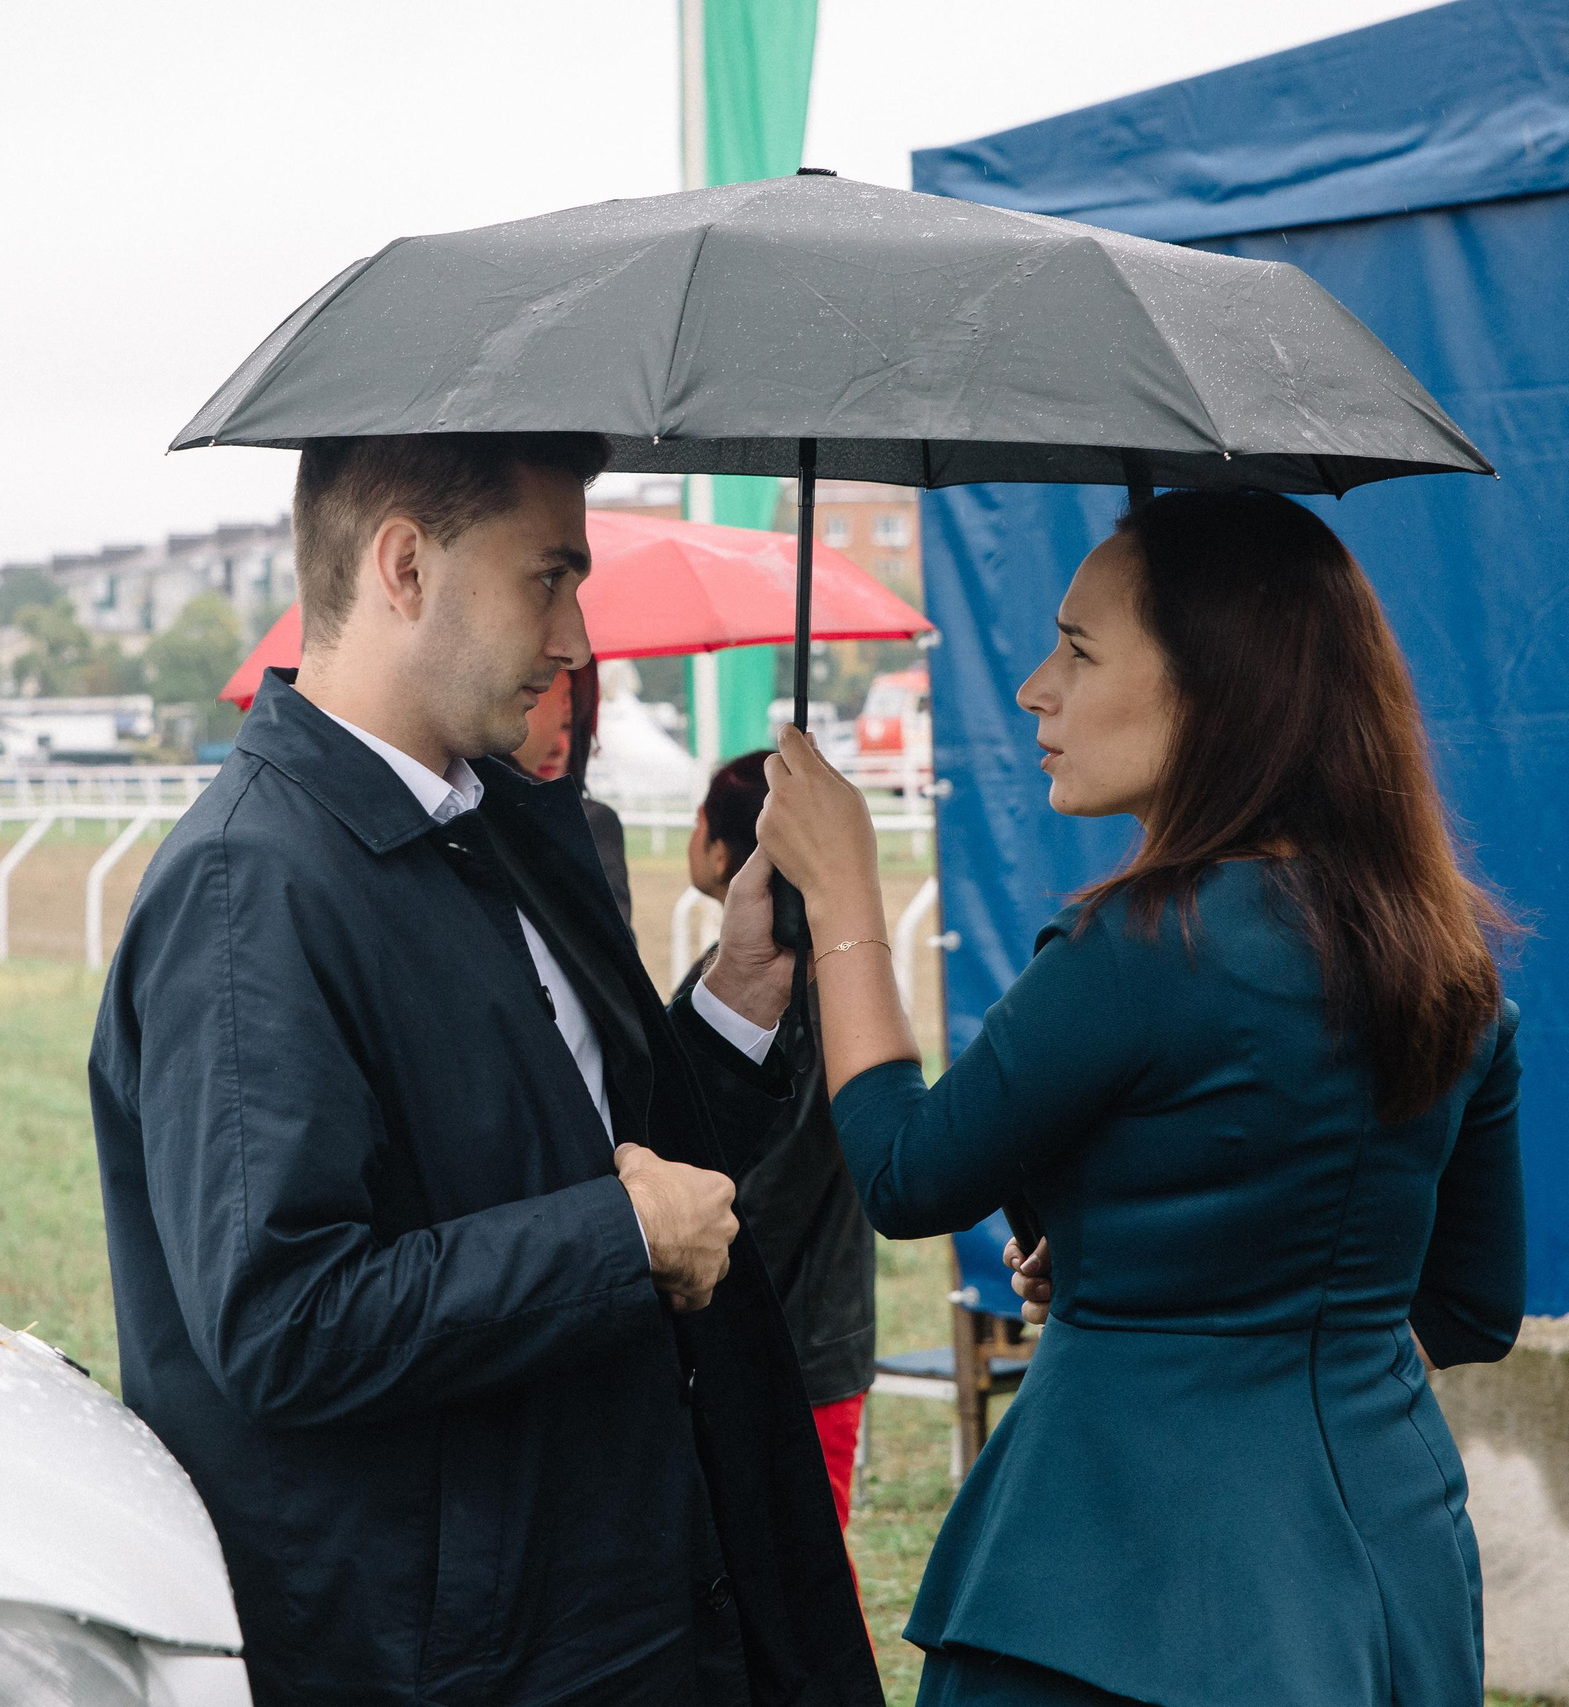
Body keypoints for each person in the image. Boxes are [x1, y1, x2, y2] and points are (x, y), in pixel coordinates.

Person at [91, 432, 877, 1705]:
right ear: (404, 566)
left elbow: (576, 1146)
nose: (575, 637)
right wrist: (618, 1242)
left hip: (620, 1591)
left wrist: (736, 1001)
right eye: (548, 580)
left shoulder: (495, 828)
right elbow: (282, 1321)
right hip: (459, 1658)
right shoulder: (251, 890)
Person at [755, 490, 1523, 1707]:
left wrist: (847, 899)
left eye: (1077, 649)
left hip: (1113, 1589)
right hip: (1386, 1571)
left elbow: (907, 1176)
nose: (1032, 688)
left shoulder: (1137, 947)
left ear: (1215, 691)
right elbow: (1470, 1307)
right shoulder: (1449, 961)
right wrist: (1182, 1282)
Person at [683, 750, 877, 1536]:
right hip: (787, 1338)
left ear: (734, 852)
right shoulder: (762, 978)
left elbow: (775, 1191)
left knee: (810, 1578)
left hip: (800, 1347)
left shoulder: (810, 998)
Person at [512, 659, 633, 929]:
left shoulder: (591, 823)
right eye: (531, 712)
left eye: (568, 726)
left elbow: (611, 952)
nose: (557, 744)